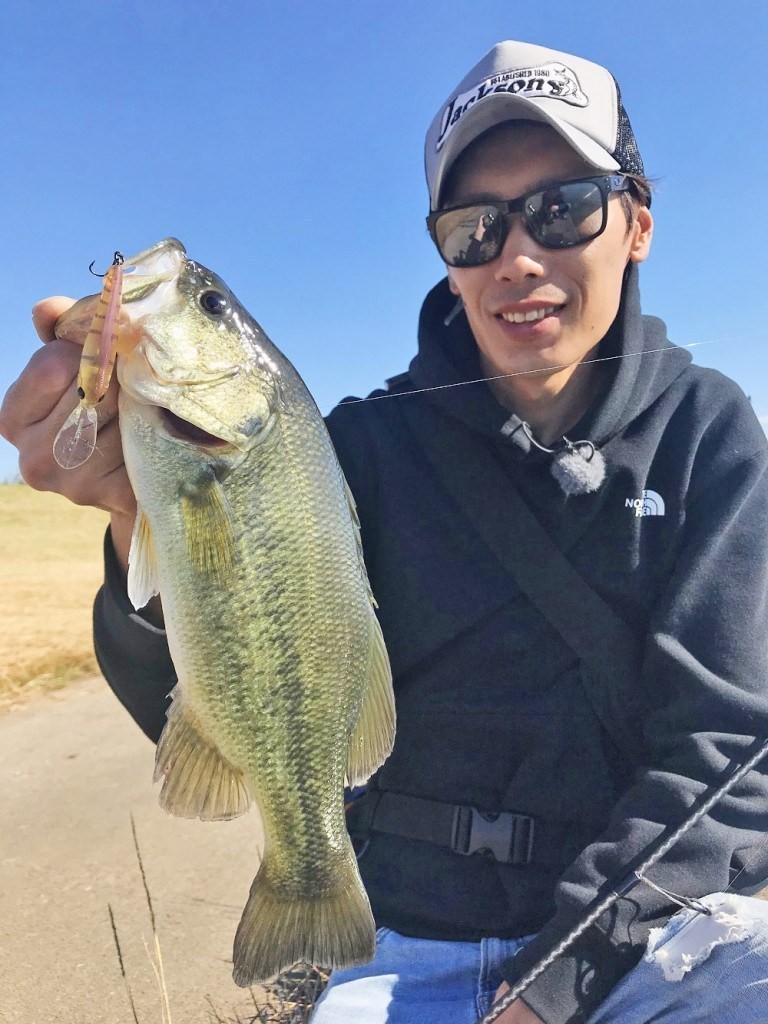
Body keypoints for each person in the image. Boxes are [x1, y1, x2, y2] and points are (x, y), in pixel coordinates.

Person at [3, 39, 768, 1024]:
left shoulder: (711, 434)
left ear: (637, 225)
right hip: (401, 939)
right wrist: (128, 519)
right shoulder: (354, 445)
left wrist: (557, 988)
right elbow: (192, 707)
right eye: (473, 228)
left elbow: (731, 754)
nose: (518, 257)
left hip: (641, 943)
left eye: (564, 206)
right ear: (446, 257)